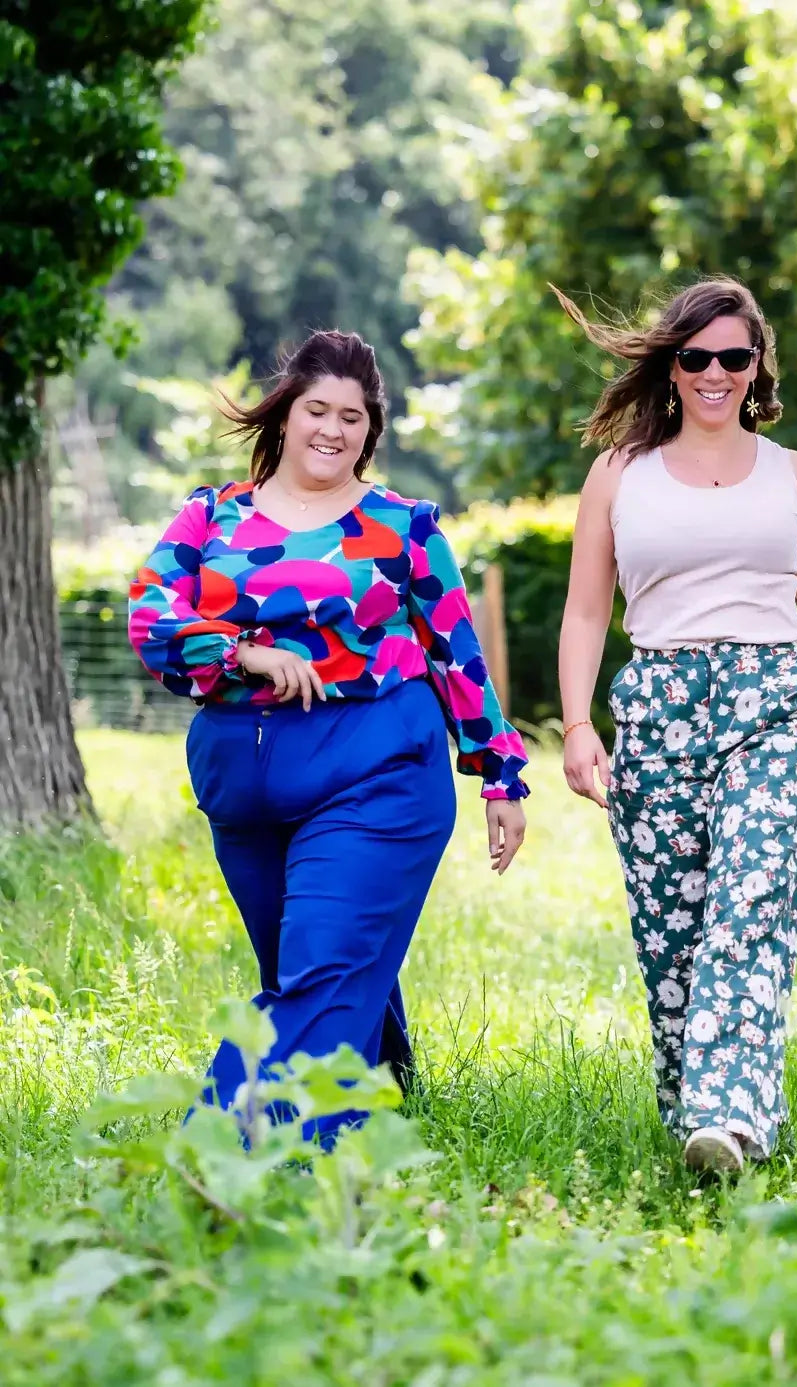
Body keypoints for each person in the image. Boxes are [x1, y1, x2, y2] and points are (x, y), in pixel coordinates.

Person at [555, 278, 797, 1175]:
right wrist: (576, 723)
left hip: (773, 704)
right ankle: (712, 1112)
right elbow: (581, 613)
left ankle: (731, 1116)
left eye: (735, 356)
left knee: (748, 907)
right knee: (672, 943)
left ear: (757, 364)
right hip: (656, 709)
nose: (716, 372)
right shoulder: (617, 473)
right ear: (672, 367)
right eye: (697, 357)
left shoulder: (791, 474)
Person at [128, 329, 528, 1145]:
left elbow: (457, 653)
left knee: (318, 974)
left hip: (375, 770)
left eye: (353, 416)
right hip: (243, 784)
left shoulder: (400, 528)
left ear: (370, 430)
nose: (333, 429)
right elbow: (149, 615)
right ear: (286, 412)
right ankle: (387, 1107)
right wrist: (241, 651)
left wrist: (500, 775)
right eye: (318, 409)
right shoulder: (211, 516)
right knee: (310, 970)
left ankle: (233, 1157)